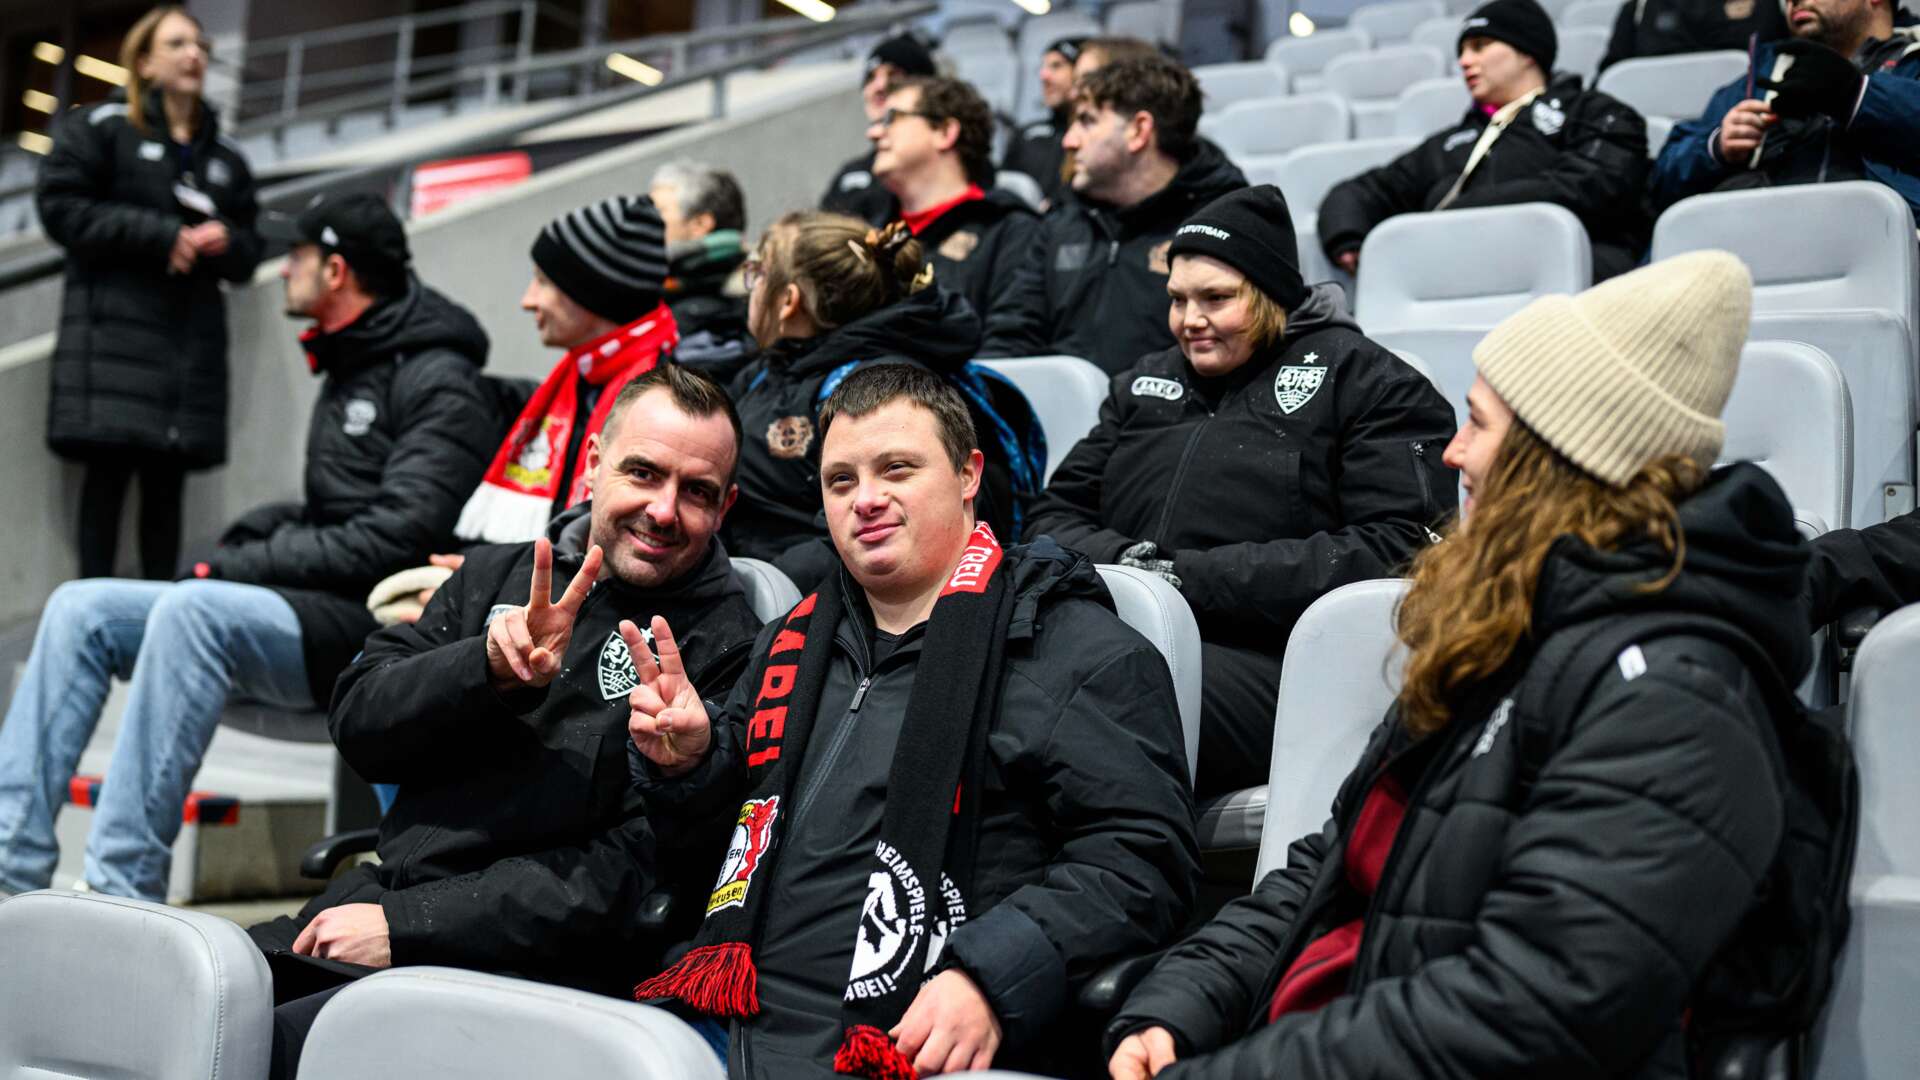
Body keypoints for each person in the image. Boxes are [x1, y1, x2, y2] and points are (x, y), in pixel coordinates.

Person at [1106, 251, 1812, 1079]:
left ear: (1556, 461)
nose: (1451, 454)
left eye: (1478, 423)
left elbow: (1531, 1010)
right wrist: (1181, 1004)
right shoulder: (1505, 633)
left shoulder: (1676, 696)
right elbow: (1328, 867)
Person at [628, 363, 1199, 1079]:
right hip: (725, 1023)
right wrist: (689, 764)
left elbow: (1142, 859)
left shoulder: (1077, 649)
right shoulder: (789, 644)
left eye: (896, 469)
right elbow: (709, 845)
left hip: (905, 1045)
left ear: (969, 475)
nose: (866, 499)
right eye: (841, 481)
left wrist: (989, 976)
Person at [245, 366, 765, 1080]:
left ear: (727, 505)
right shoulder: (494, 576)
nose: (664, 509)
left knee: (271, 1049)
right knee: (195, 1007)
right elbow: (360, 722)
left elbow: (631, 879)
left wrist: (412, 926)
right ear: (593, 464)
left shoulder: (730, 648)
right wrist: (482, 671)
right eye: (643, 472)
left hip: (536, 968)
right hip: (379, 903)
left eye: (697, 492)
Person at [0, 193, 493, 903]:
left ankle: (119, 892)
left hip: (377, 626)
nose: (282, 266)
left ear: (336, 271)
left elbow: (396, 538)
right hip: (313, 604)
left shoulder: (438, 379)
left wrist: (236, 563)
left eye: (296, 255)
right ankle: (13, 869)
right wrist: (261, 531)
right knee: (82, 607)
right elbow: (340, 511)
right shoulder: (355, 361)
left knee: (196, 609)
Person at [1026, 185, 1457, 799]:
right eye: (1177, 300)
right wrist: (1130, 568)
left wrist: (1188, 579)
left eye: (1216, 298)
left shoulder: (1367, 380)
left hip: (1285, 663)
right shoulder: (1143, 383)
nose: (1190, 321)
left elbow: (1401, 547)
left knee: (1104, 686)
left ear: (1271, 294)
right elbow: (1052, 515)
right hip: (1125, 630)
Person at [37, 4, 262, 581]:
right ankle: (87, 632)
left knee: (167, 498)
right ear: (143, 60)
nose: (195, 55)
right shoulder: (99, 128)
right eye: (178, 43)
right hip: (113, 347)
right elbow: (61, 208)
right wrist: (162, 236)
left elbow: (252, 247)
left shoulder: (227, 157)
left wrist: (226, 241)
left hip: (187, 357)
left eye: (201, 46)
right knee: (105, 490)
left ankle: (158, 646)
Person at [722, 213, 1035, 589]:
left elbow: (865, 534)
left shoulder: (879, 389)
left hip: (816, 599)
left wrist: (751, 587)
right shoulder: (771, 369)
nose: (749, 288)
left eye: (757, 274)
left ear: (789, 301)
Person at [1318, 0, 1652, 282]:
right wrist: (1346, 237)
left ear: (1527, 52)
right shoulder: (1450, 142)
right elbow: (1363, 190)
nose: (1464, 61)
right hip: (1452, 279)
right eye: (1462, 51)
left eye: (1479, 47)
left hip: (1558, 280)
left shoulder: (1593, 112)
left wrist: (1460, 214)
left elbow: (1598, 184)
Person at [981, 55, 1247, 371]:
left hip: (1178, 415)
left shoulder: (1226, 223)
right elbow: (1010, 338)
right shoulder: (1059, 225)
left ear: (1139, 130)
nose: (1069, 141)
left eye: (1087, 120)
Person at [452, 194, 677, 545]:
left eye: (543, 282)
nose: (528, 301)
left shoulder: (667, 397)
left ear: (591, 295)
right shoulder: (583, 376)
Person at [1648, 0, 1919, 219]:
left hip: (1886, 251)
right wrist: (1716, 147)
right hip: (1759, 243)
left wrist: (1857, 96)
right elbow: (1661, 181)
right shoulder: (1760, 76)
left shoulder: (1913, 60)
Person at [870, 76, 1041, 346]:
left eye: (892, 118)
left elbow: (1010, 345)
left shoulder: (1008, 230)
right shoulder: (872, 237)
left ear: (945, 132)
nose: (875, 133)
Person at [821, 32, 939, 227]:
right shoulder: (850, 173)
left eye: (894, 75)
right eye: (870, 77)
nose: (879, 86)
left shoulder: (951, 167)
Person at [652, 160, 756, 380]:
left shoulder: (742, 293)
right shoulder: (665, 284)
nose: (644, 220)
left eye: (658, 211)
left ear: (700, 224)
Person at [1600, 0, 1789, 71]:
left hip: (1749, 138)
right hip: (1647, 145)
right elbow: (1607, 82)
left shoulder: (1778, 6)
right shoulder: (1637, 11)